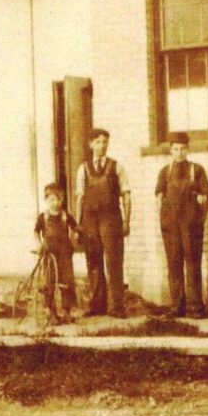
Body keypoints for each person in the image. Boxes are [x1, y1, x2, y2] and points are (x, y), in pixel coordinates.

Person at [74, 128, 131, 318]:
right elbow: (79, 199)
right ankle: (97, 305)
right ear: (91, 144)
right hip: (90, 220)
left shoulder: (117, 167)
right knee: (93, 261)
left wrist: (127, 222)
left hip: (111, 217)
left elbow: (127, 196)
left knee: (114, 262)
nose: (102, 145)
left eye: (105, 141)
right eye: (98, 142)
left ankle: (117, 307)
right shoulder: (83, 168)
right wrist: (78, 226)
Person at [155, 131, 208, 318]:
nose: (179, 153)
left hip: (191, 225)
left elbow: (206, 197)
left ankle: (195, 307)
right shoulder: (165, 172)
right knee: (174, 264)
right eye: (176, 149)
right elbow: (159, 196)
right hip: (171, 226)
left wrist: (199, 221)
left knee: (193, 264)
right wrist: (163, 219)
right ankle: (177, 306)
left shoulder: (197, 170)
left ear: (188, 150)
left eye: (182, 149)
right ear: (171, 150)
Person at [34, 182, 79, 323]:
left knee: (67, 280)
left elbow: (76, 228)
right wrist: (39, 244)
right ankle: (50, 311)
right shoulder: (43, 217)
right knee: (49, 281)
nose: (55, 203)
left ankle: (66, 311)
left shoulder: (66, 216)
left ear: (62, 199)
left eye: (58, 199)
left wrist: (76, 238)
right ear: (46, 200)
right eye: (52, 199)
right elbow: (36, 232)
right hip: (49, 253)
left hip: (65, 253)